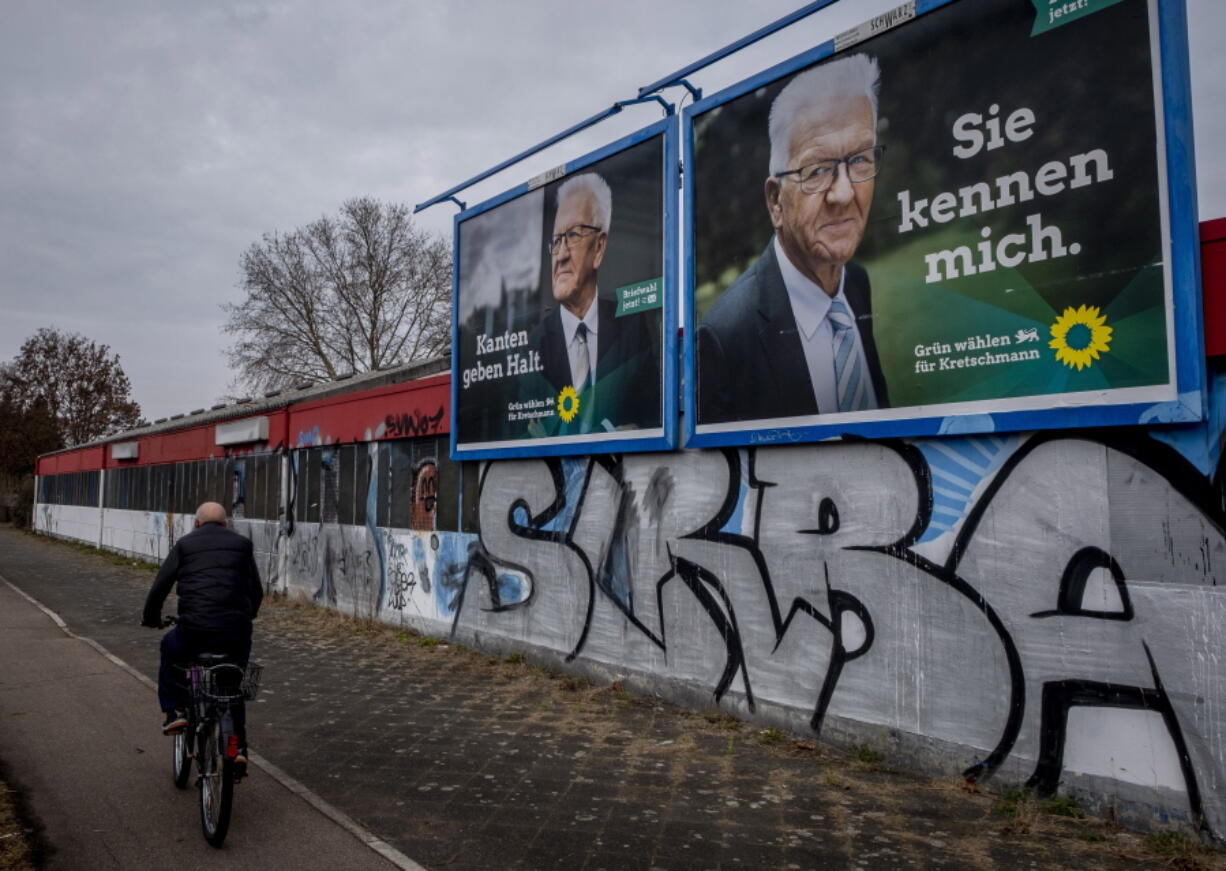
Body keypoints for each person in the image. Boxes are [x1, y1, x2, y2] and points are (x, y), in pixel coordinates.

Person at [698, 53, 890, 425]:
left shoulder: (856, 282)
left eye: (861, 161)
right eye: (817, 170)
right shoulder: (726, 336)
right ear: (775, 201)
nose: (844, 194)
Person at [530, 172, 660, 433]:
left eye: (574, 235)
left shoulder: (632, 329)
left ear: (599, 248)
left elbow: (652, 415)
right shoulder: (533, 345)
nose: (562, 254)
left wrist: (638, 431)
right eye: (556, 241)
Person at [142, 501, 262, 773]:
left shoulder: (185, 544)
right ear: (225, 523)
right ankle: (239, 748)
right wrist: (246, 617)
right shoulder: (243, 545)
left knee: (170, 648)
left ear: (196, 523)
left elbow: (161, 585)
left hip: (195, 629)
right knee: (233, 686)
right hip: (235, 633)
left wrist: (152, 618)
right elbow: (256, 591)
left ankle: (176, 712)